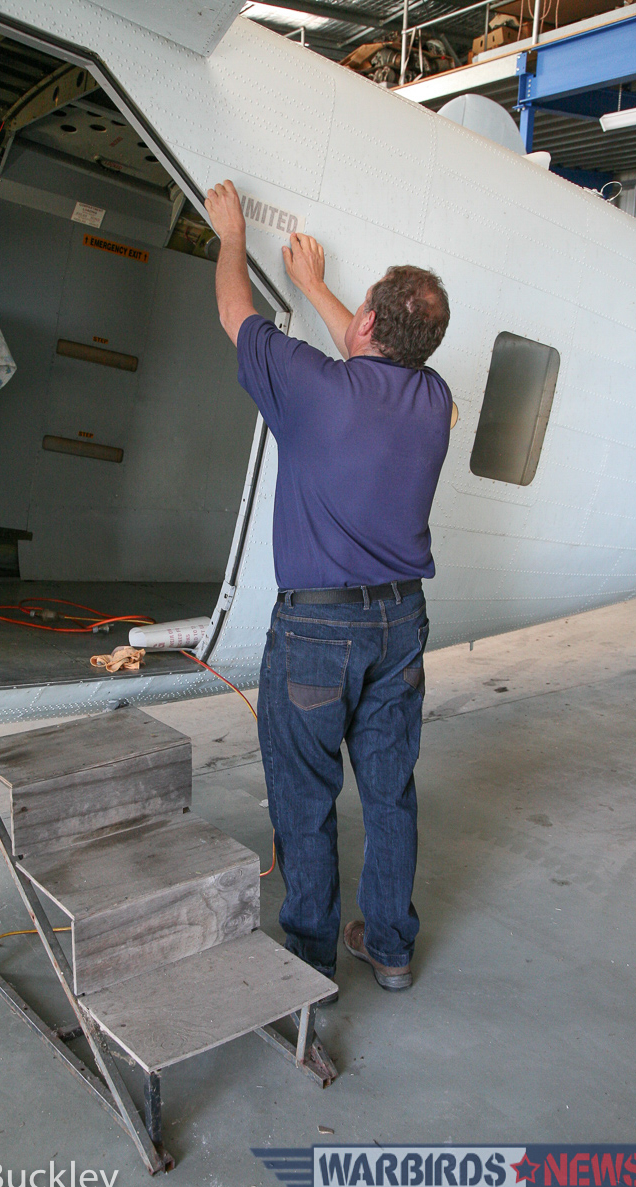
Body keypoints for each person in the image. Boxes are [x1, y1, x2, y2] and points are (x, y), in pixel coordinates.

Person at [204, 179, 454, 997]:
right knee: (389, 792)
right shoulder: (435, 400)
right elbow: (369, 346)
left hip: (318, 634)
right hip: (402, 627)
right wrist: (315, 284)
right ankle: (388, 946)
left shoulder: (316, 389)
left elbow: (236, 315)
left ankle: (309, 959)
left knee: (305, 798)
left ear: (370, 323)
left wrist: (233, 235)